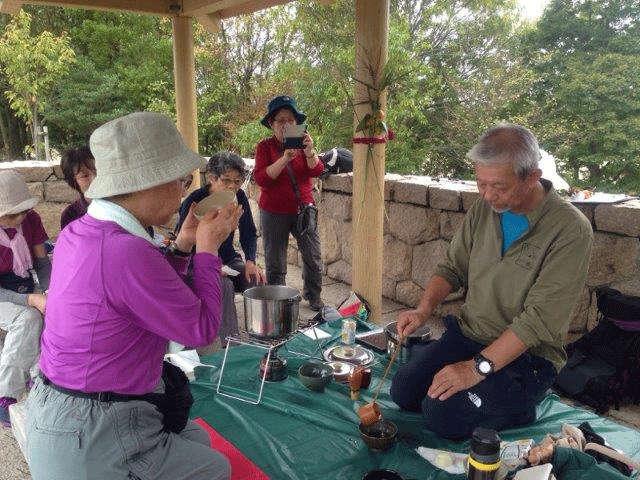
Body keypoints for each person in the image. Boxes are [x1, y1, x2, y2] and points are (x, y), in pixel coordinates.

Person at [26, 112, 241, 480]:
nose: (183, 189)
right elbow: (201, 329)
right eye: (180, 179)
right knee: (215, 468)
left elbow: (141, 293)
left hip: (60, 409)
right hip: (91, 427)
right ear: (147, 184)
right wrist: (208, 250)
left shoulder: (81, 231)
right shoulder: (125, 250)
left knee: (199, 442)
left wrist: (185, 245)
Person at [389, 124, 593, 440]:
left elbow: (536, 322)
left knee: (441, 415)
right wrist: (423, 309)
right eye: (481, 184)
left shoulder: (569, 230)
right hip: (470, 336)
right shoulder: (485, 209)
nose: (487, 195)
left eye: (499, 186)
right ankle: (485, 394)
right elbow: (452, 266)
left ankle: (520, 405)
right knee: (403, 390)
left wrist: (474, 369)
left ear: (532, 177)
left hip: (528, 357)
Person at [175, 151, 266, 345]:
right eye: (226, 181)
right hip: (195, 261)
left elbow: (249, 233)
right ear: (212, 179)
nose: (232, 186)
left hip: (227, 259)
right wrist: (209, 265)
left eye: (237, 181)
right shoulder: (195, 201)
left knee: (256, 279)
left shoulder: (239, 197)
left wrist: (250, 261)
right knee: (224, 285)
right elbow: (182, 243)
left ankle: (261, 334)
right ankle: (227, 344)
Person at [254, 95, 325, 311]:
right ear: (271, 124)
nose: (286, 124)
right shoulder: (264, 148)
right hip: (273, 211)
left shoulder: (304, 146)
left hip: (303, 210)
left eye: (291, 120)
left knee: (313, 257)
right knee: (275, 262)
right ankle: (279, 300)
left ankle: (314, 297)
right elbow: (262, 178)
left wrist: (310, 151)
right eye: (281, 120)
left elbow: (317, 170)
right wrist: (285, 158)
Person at [0, 170, 50, 428]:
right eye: (11, 213)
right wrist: (32, 300)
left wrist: (51, 293)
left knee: (53, 313)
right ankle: (6, 393)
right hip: (4, 294)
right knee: (29, 318)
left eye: (22, 211)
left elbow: (42, 263)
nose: (19, 217)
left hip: (25, 285)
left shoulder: (31, 220)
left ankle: (40, 378)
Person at [59, 145, 96, 229]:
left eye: (97, 170)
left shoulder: (121, 204)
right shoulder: (70, 215)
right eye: (85, 175)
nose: (94, 178)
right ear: (74, 182)